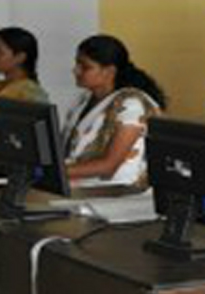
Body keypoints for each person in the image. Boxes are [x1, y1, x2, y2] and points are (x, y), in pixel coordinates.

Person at [63, 35, 166, 189]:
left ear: (109, 71)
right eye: (76, 63)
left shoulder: (132, 105)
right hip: (79, 185)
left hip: (118, 192)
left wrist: (54, 172)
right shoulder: (82, 100)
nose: (75, 70)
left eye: (85, 67)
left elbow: (108, 166)